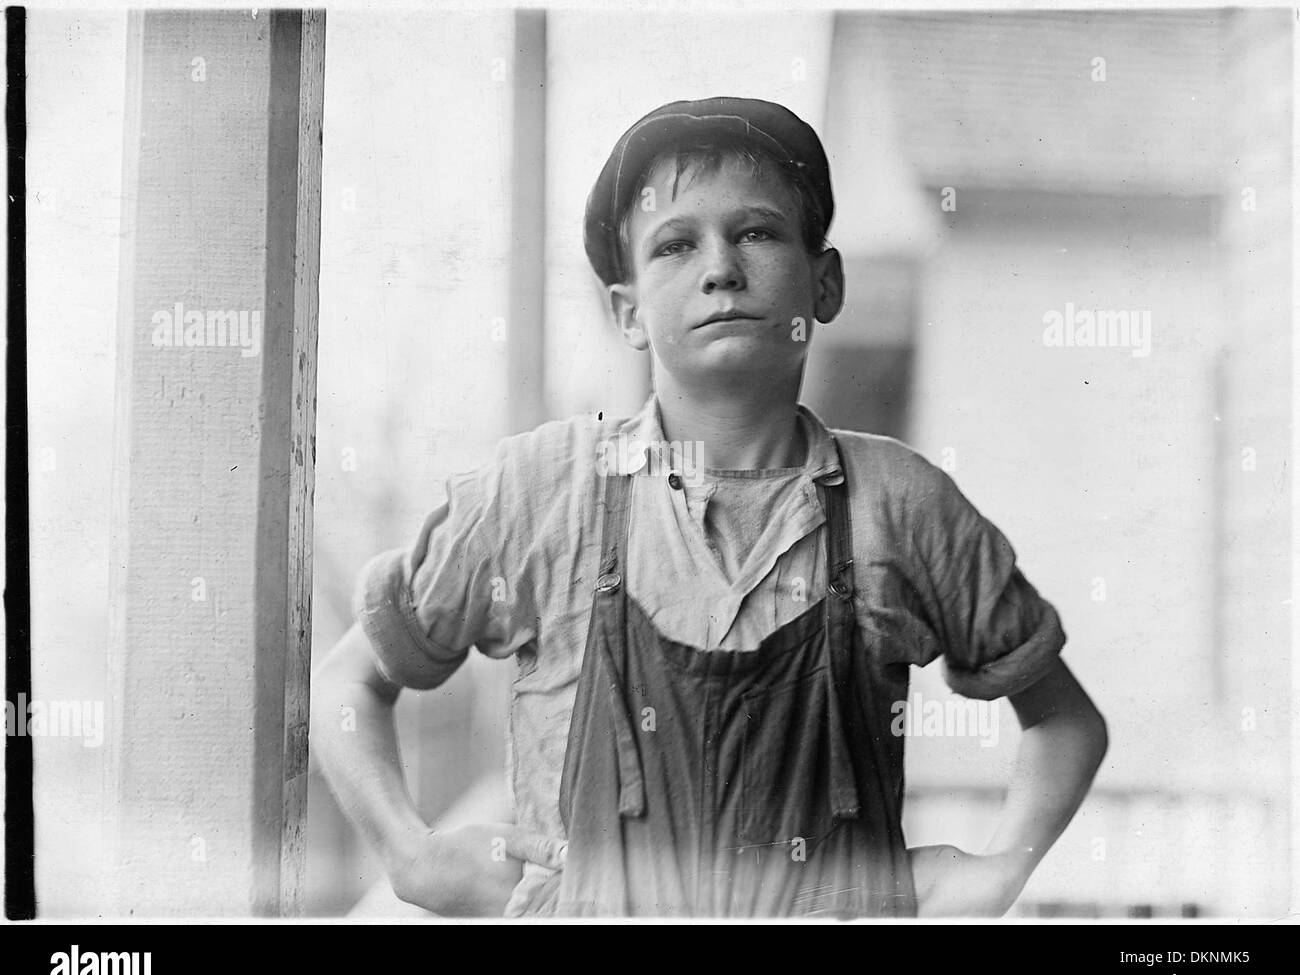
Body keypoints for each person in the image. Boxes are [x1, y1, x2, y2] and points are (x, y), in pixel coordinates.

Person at [312, 96, 1109, 919]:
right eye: (675, 244)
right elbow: (349, 684)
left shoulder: (900, 504)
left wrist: (997, 869)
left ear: (824, 282)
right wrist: (409, 854)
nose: (720, 266)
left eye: (757, 232)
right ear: (627, 311)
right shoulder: (542, 490)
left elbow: (1065, 722)